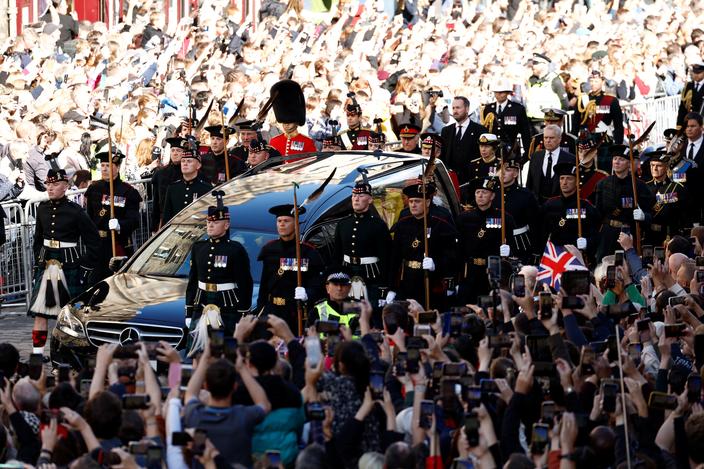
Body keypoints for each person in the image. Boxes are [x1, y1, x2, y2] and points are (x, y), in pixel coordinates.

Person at [28, 169, 99, 355]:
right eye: (48, 184)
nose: (50, 188)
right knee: (40, 312)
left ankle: (69, 353)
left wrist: (84, 267)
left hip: (69, 264)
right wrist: (38, 261)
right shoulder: (41, 208)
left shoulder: (75, 211)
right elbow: (37, 240)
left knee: (71, 314)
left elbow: (93, 241)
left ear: (66, 186)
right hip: (46, 263)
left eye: (55, 184)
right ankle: (37, 354)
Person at [184, 191, 253, 355]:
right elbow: (193, 280)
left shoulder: (235, 250)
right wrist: (188, 310)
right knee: (197, 352)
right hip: (201, 303)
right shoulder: (198, 247)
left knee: (225, 351)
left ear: (226, 225)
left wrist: (242, 312)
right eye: (208, 222)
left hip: (226, 304)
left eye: (215, 222)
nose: (210, 225)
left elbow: (245, 282)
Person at [388, 179, 458, 309]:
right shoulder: (403, 222)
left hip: (430, 281)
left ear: (427, 202)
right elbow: (395, 257)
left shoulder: (439, 224)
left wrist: (435, 264)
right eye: (411, 201)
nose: (413, 205)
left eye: (418, 201)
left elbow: (451, 255)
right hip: (407, 280)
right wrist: (392, 288)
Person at [256, 204, 325, 333]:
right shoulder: (269, 249)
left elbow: (319, 286)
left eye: (286, 221)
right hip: (272, 311)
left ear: (296, 224)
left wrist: (306, 294)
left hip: (296, 312)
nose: (282, 224)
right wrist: (261, 310)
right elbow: (264, 285)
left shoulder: (308, 252)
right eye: (279, 221)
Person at [333, 180, 392, 314]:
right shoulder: (343, 224)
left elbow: (386, 257)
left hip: (371, 275)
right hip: (347, 274)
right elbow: (337, 255)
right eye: (354, 196)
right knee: (349, 314)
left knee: (371, 313)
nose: (356, 199)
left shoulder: (378, 225)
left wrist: (385, 286)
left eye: (361, 196)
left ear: (370, 199)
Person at [83, 149, 142, 282]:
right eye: (102, 165)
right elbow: (89, 218)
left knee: (117, 282)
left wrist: (120, 225)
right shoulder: (94, 189)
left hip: (117, 243)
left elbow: (134, 220)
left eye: (108, 165)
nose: (104, 169)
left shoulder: (128, 191)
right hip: (98, 245)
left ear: (118, 167)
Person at [456, 177, 515, 304]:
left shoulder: (504, 218)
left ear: (492, 196)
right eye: (478, 192)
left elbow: (513, 244)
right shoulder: (464, 218)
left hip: (492, 272)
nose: (480, 196)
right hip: (470, 272)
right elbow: (458, 249)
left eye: (484, 192)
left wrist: (508, 250)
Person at [594, 144, 654, 260]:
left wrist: (643, 217)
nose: (616, 162)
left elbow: (650, 214)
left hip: (629, 232)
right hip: (608, 234)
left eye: (621, 159)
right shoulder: (602, 184)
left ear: (629, 163)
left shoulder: (639, 186)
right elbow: (598, 214)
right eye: (615, 159)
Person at [539, 162, 601, 260]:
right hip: (555, 256)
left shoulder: (585, 206)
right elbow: (541, 233)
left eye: (569, 178)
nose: (564, 182)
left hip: (577, 255)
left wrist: (587, 242)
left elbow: (596, 234)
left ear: (577, 182)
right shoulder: (549, 205)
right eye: (562, 178)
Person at [495, 151, 539, 263]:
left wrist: (536, 251)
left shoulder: (526, 195)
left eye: (508, 170)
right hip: (494, 241)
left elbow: (535, 225)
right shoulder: (492, 193)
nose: (503, 173)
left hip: (519, 242)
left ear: (515, 174)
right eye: (501, 169)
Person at [441, 96, 488, 187]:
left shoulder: (480, 130)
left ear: (467, 109)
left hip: (472, 181)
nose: (455, 111)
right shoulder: (446, 131)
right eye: (453, 108)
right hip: (451, 182)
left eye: (458, 108)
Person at [644, 150, 687, 246]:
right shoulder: (644, 187)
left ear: (666, 167)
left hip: (668, 235)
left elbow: (681, 214)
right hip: (648, 235)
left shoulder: (677, 188)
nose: (654, 169)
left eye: (658, 165)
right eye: (652, 165)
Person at [480, 81, 532, 160]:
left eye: (502, 92)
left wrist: (527, 152)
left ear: (508, 93)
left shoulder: (517, 109)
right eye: (496, 92)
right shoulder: (488, 109)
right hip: (491, 152)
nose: (499, 95)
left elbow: (525, 133)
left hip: (510, 151)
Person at [160, 149, 212, 226]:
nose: (185, 164)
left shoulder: (207, 189)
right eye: (183, 161)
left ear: (198, 165)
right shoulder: (173, 188)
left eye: (189, 161)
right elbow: (167, 216)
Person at [573, 70, 624, 147]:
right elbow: (575, 123)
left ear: (602, 82)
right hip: (585, 140)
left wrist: (618, 144)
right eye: (591, 81)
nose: (593, 84)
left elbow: (618, 125)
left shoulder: (611, 100)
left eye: (596, 81)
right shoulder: (583, 99)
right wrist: (573, 141)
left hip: (603, 140)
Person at [268, 81, 317, 159]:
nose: (286, 124)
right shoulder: (274, 141)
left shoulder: (307, 142)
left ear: (297, 122)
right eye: (284, 122)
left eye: (290, 122)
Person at [526, 124, 575, 203]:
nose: (548, 140)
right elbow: (529, 183)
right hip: (537, 206)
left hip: (559, 206)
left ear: (559, 139)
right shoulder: (535, 156)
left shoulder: (570, 158)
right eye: (546, 137)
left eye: (551, 138)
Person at [150, 137, 184, 232]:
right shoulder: (161, 173)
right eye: (172, 150)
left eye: (178, 150)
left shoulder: (187, 173)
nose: (175, 153)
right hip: (165, 219)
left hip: (182, 218)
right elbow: (156, 201)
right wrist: (154, 226)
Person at [525, 53, 568, 127]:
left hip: (548, 121)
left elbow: (564, 102)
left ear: (544, 64)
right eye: (532, 63)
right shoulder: (531, 79)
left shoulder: (554, 79)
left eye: (535, 63)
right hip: (531, 121)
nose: (532, 66)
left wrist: (558, 120)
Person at [575, 128, 608, 203]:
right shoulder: (572, 173)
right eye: (580, 151)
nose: (583, 154)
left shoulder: (601, 177)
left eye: (586, 151)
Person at [676, 62, 704, 127]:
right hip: (689, 123)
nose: (696, 75)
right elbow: (682, 108)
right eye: (695, 72)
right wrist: (679, 125)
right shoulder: (688, 85)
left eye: (699, 73)